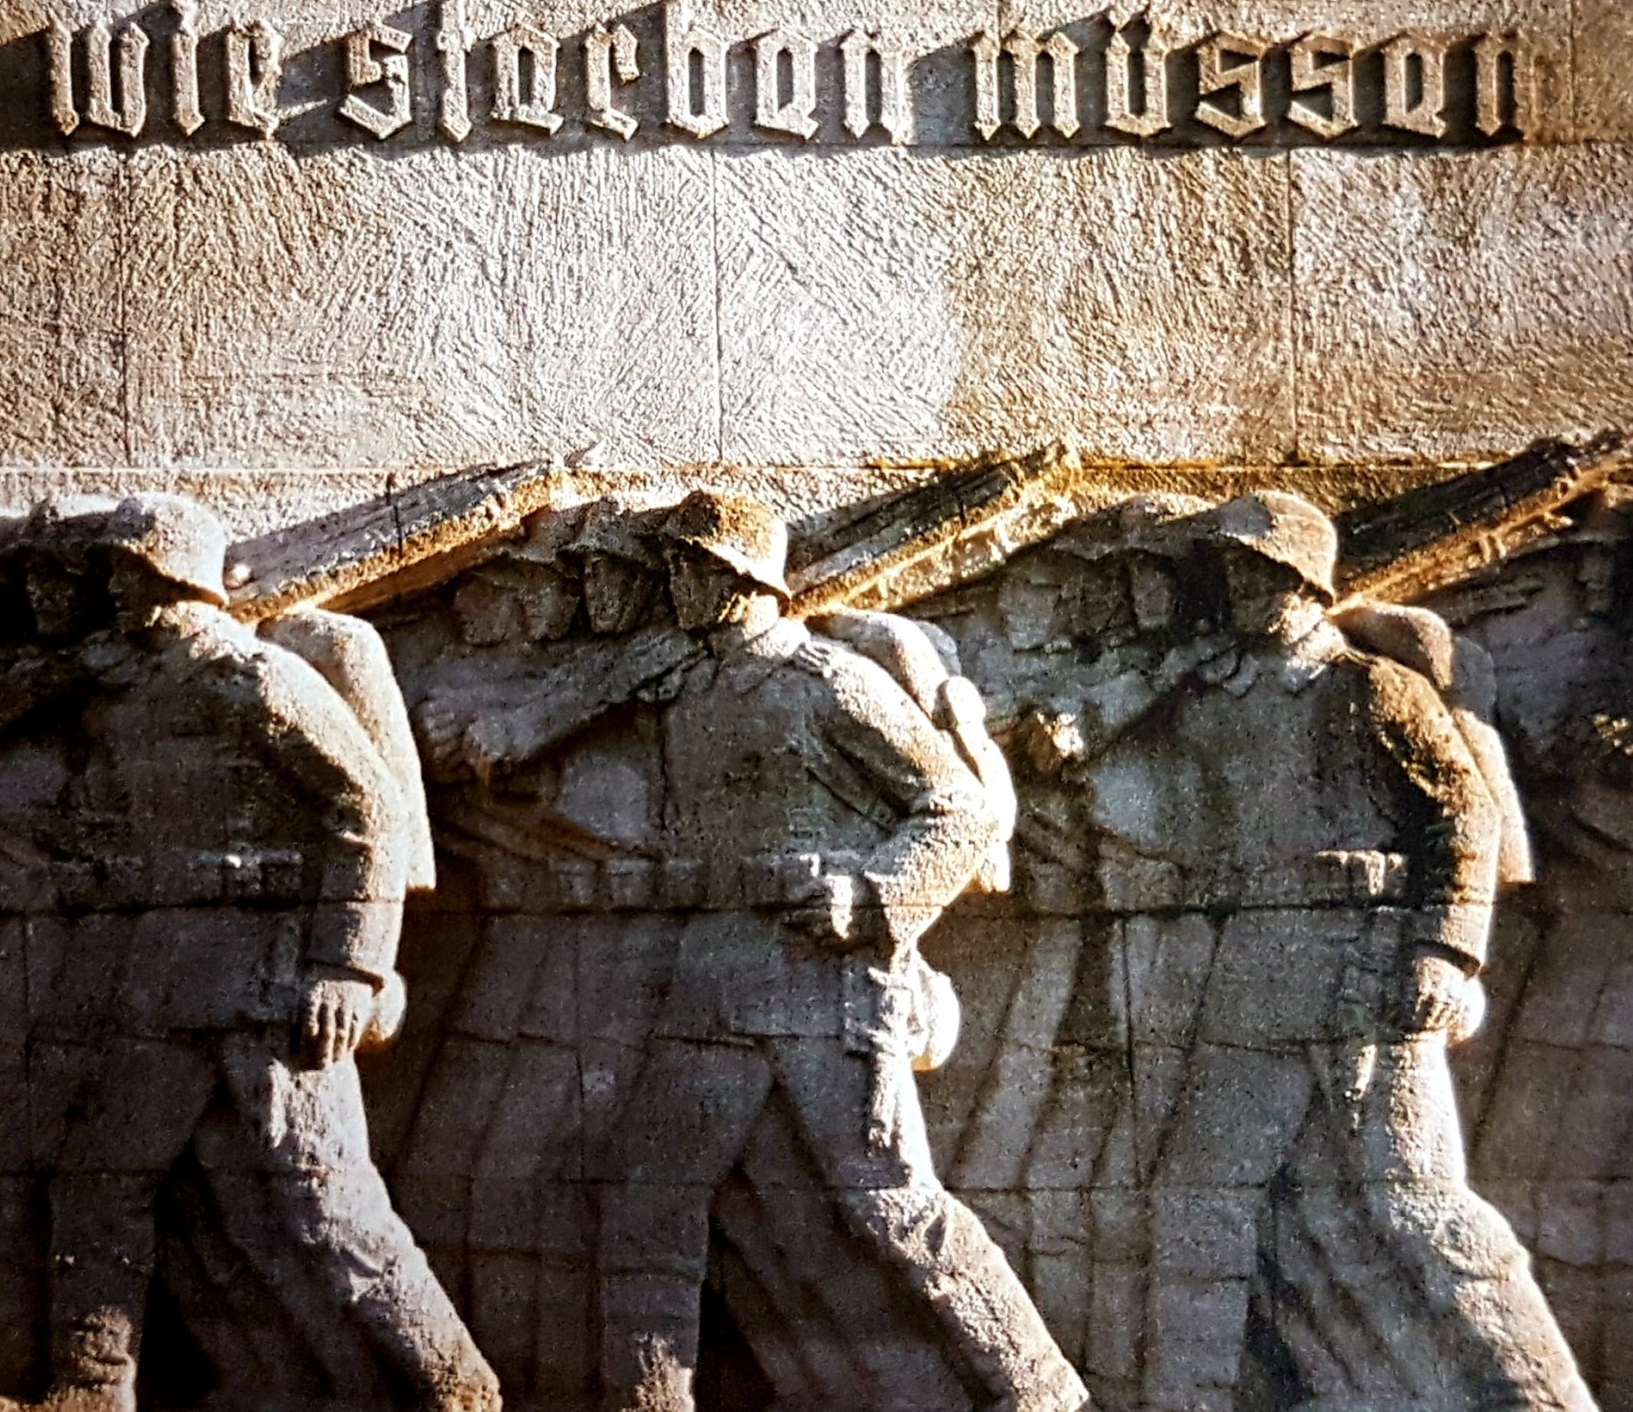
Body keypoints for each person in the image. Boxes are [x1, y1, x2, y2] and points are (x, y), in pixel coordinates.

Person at [412, 489, 1083, 1412]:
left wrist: (872, 898)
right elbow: (564, 715)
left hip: (825, 981)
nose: (677, 586)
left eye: (694, 569)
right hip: (714, 975)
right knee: (644, 1198)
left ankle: (1041, 1392)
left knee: (892, 1204)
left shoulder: (826, 682)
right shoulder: (679, 678)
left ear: (742, 582)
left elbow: (957, 808)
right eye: (675, 569)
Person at [0, 493, 497, 1412]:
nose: (115, 593)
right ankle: (90, 1387)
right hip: (162, 977)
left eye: (129, 576)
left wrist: (348, 966)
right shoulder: (134, 693)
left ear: (173, 581)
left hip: (269, 983)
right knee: (97, 1183)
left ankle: (457, 1387)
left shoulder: (252, 678)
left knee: (327, 1205)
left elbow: (369, 814)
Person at [1080, 491, 1592, 1412]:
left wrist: (1445, 951)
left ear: (1304, 582)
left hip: (1367, 964)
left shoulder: (1371, 688)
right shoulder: (1211, 695)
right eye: (1231, 572)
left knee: (1418, 1202)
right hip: (1251, 963)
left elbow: (1463, 818)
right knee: (1197, 1200)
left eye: (1258, 572)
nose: (1239, 588)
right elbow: (1133, 798)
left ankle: (1540, 1396)